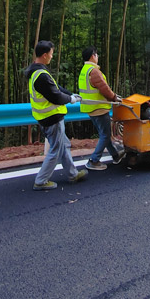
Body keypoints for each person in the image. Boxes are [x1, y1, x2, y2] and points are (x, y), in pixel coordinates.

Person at [25, 40, 87, 190]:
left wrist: (71, 94)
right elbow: (55, 97)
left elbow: (57, 88)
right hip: (52, 118)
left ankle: (72, 174)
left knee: (63, 145)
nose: (52, 57)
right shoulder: (41, 75)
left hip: (46, 117)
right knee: (56, 149)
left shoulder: (38, 71)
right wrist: (70, 100)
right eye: (51, 54)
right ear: (45, 55)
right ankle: (41, 181)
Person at [78, 46, 125, 170]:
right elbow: (104, 88)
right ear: (93, 56)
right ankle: (94, 161)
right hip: (98, 107)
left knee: (105, 134)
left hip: (90, 108)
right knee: (105, 134)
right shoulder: (94, 71)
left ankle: (115, 155)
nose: (97, 57)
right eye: (97, 55)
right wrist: (114, 97)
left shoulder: (84, 70)